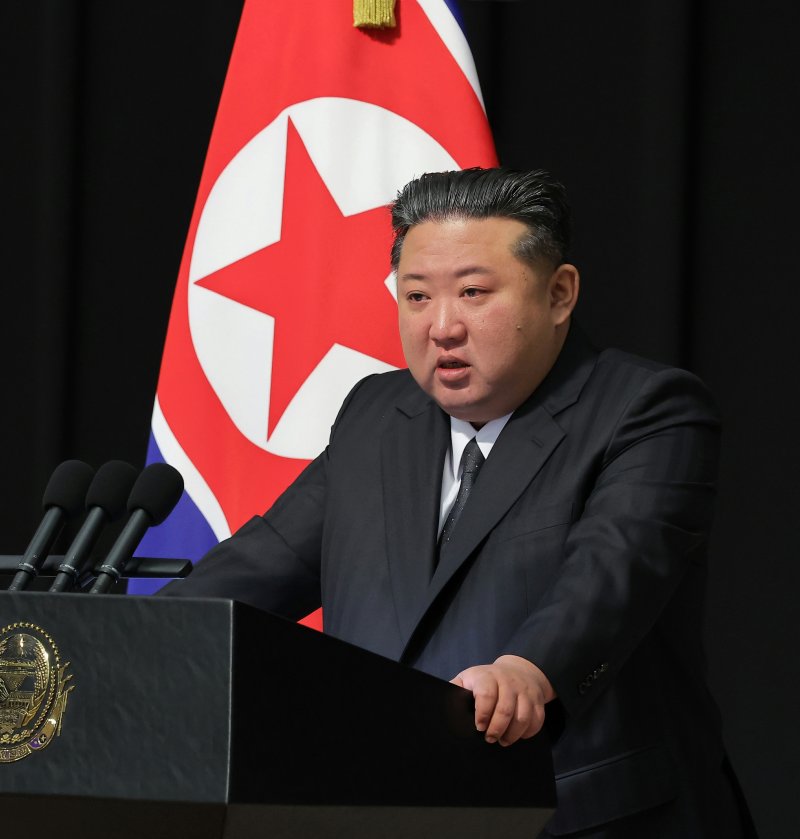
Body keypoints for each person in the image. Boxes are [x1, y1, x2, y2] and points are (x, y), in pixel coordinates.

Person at [161, 168, 754, 837]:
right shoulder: (376, 414)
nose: (442, 326)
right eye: (417, 296)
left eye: (473, 292)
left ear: (559, 293)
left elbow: (614, 572)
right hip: (388, 812)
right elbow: (266, 561)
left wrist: (527, 669)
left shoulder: (648, 409)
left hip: (584, 816)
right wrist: (132, 639)